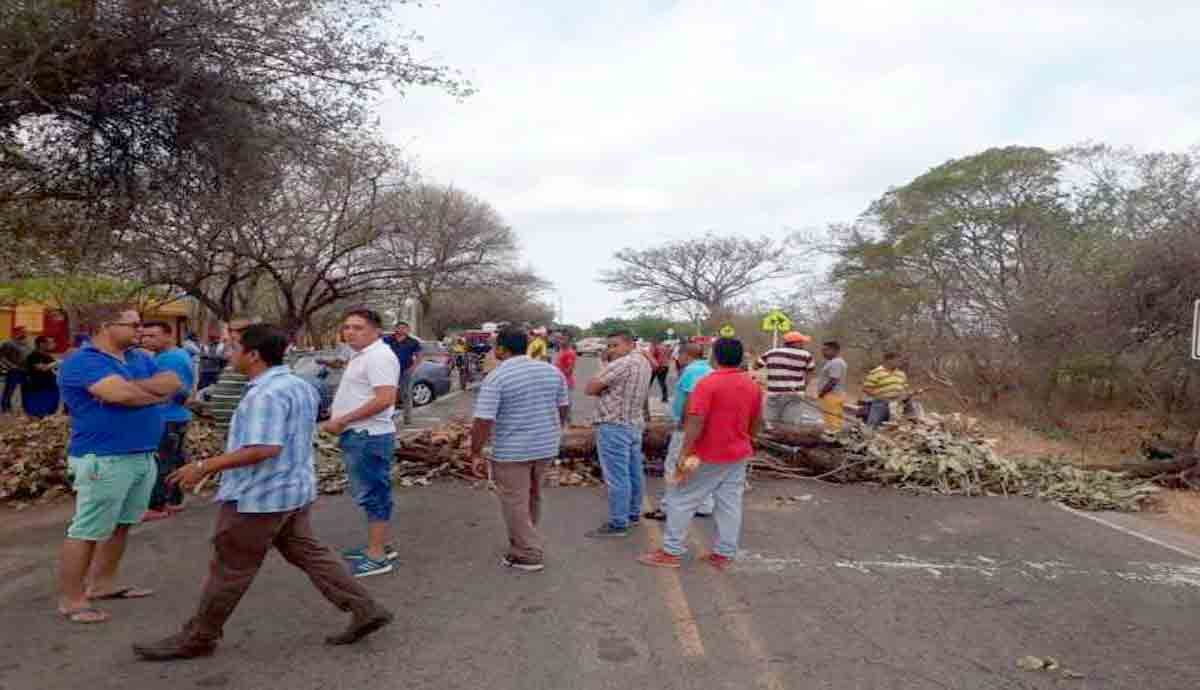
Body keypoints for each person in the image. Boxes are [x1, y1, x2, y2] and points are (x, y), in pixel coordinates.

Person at [133, 324, 392, 660]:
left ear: (253, 355)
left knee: (230, 567)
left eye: (234, 347)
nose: (228, 353)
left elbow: (264, 447)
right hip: (292, 490)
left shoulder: (264, 395)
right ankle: (365, 608)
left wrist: (203, 467)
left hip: (260, 496)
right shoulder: (299, 385)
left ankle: (199, 637)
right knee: (308, 552)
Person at [56, 307, 182, 624]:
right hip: (103, 458)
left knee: (122, 523)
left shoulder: (139, 358)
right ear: (105, 325)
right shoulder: (84, 361)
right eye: (134, 325)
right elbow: (122, 395)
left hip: (141, 454)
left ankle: (102, 584)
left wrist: (138, 392)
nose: (141, 330)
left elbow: (173, 382)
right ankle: (71, 600)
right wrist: (147, 391)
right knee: (87, 529)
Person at [639, 338, 763, 570]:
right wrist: (748, 441)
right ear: (741, 359)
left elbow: (696, 420)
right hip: (737, 453)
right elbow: (757, 421)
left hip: (706, 453)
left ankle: (671, 552)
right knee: (729, 504)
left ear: (714, 357)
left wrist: (684, 453)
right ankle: (724, 553)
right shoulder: (752, 385)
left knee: (680, 498)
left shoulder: (708, 384)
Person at [469, 327, 570, 572]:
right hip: (545, 446)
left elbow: (483, 420)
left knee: (514, 501)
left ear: (501, 349)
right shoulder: (552, 371)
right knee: (533, 496)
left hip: (513, 450)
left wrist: (475, 452)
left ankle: (527, 552)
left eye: (495, 346)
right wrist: (553, 429)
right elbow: (563, 407)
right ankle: (523, 540)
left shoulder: (497, 377)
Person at [321, 309, 401, 578]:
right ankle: (378, 546)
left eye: (358, 327)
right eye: (347, 327)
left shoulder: (379, 357)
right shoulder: (361, 355)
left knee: (373, 492)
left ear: (376, 331)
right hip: (360, 435)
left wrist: (343, 420)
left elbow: (385, 398)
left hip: (368, 436)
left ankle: (378, 556)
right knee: (371, 492)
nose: (350, 332)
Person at [584, 329, 653, 538]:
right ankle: (632, 513)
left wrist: (604, 368)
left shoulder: (623, 363)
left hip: (614, 425)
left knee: (617, 476)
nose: (611, 349)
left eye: (615, 345)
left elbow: (590, 388)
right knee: (633, 472)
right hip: (633, 424)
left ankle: (618, 522)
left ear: (630, 344)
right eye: (609, 345)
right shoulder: (643, 362)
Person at [644, 343, 715, 521]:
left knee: (674, 465)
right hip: (703, 425)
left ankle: (668, 507)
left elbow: (692, 399)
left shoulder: (693, 371)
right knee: (697, 465)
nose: (677, 358)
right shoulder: (708, 369)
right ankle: (704, 505)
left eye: (678, 355)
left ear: (686, 355)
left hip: (689, 426)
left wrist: (684, 424)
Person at [139, 321, 196, 520]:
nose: (146, 340)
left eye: (152, 336)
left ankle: (157, 505)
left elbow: (177, 389)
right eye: (144, 336)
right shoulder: (170, 355)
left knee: (161, 461)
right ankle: (174, 500)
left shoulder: (171, 359)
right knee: (174, 460)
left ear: (168, 336)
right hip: (173, 416)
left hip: (167, 417)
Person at [204, 316, 260, 436]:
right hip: (225, 431)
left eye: (238, 330)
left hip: (240, 432)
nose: (231, 335)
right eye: (230, 330)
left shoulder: (253, 361)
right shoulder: (235, 358)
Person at [758, 331, 816, 429]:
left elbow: (756, 365)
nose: (803, 344)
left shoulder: (771, 352)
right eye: (801, 342)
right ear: (795, 343)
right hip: (795, 394)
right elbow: (810, 372)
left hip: (774, 394)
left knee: (770, 425)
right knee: (789, 426)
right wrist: (804, 387)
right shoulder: (806, 355)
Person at [383, 321, 422, 425]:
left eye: (404, 328)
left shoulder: (413, 342)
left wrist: (412, 368)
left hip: (406, 370)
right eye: (399, 328)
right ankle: (388, 418)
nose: (401, 330)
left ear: (408, 330)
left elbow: (419, 356)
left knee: (406, 394)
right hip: (389, 371)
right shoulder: (387, 340)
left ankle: (407, 418)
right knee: (389, 394)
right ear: (395, 329)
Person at [862, 352, 908, 427]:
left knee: (892, 428)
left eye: (900, 361)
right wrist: (880, 397)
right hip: (880, 404)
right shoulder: (876, 372)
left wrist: (903, 397)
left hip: (896, 405)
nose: (900, 363)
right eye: (897, 360)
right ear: (889, 360)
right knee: (873, 425)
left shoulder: (901, 374)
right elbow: (866, 388)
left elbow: (904, 389)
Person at [22, 335, 61, 418]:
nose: (53, 344)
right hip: (39, 388)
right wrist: (56, 363)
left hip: (50, 386)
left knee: (50, 411)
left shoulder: (48, 356)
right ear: (41, 344)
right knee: (39, 413)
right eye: (49, 342)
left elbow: (54, 369)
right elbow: (42, 368)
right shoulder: (34, 356)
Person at [816, 341, 849, 432]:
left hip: (832, 395)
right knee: (834, 419)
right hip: (834, 395)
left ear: (835, 350)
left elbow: (833, 380)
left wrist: (822, 393)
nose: (823, 352)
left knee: (832, 421)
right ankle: (836, 437)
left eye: (826, 350)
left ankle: (833, 438)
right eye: (822, 350)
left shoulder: (836, 362)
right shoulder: (833, 362)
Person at [1, 326, 31, 414]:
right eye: (23, 332)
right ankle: (5, 407)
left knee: (26, 390)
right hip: (14, 371)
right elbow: (2, 357)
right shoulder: (9, 343)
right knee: (9, 390)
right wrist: (11, 365)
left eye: (26, 332)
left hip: (26, 371)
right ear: (16, 332)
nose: (25, 333)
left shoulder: (27, 344)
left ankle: (26, 407)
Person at [555, 336, 578, 422]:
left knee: (566, 405)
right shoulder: (561, 350)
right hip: (559, 381)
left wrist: (557, 371)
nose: (560, 341)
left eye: (563, 339)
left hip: (566, 382)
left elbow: (569, 370)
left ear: (568, 341)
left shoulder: (570, 353)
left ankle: (567, 424)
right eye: (560, 339)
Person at [649, 337, 672, 404]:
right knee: (662, 382)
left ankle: (643, 397)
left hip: (656, 366)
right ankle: (665, 397)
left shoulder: (654, 347)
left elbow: (652, 356)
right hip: (665, 366)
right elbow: (669, 356)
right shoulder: (665, 347)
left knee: (648, 382)